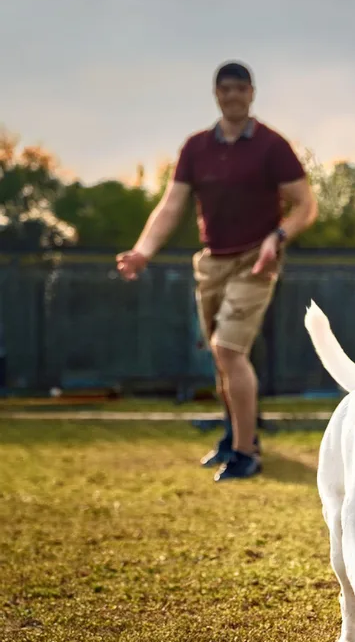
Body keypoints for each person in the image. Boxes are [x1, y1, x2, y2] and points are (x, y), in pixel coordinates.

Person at [116, 61, 317, 481]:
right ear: (215, 94)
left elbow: (306, 205)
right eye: (225, 89)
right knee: (220, 358)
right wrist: (141, 251)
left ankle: (246, 454)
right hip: (212, 262)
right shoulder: (196, 148)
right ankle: (233, 436)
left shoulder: (271, 146)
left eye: (240, 88)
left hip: (255, 261)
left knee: (230, 351)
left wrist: (276, 237)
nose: (233, 96)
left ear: (252, 93)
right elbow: (171, 206)